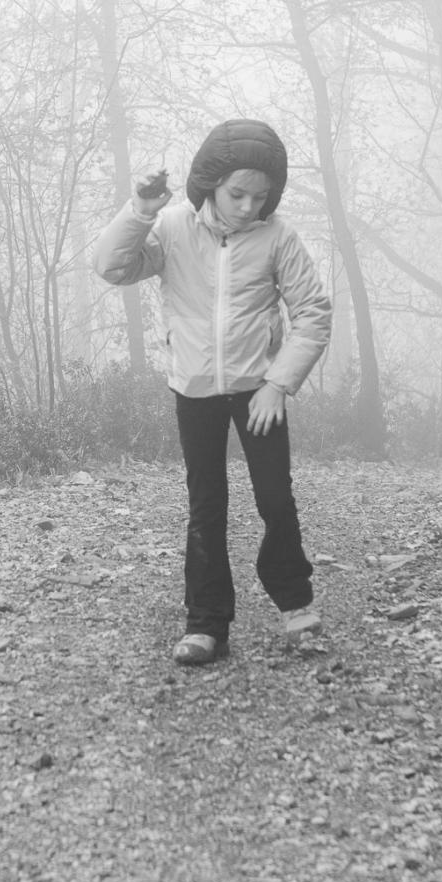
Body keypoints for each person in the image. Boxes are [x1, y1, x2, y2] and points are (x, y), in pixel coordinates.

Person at [91, 119, 332, 665]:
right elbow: (111, 267)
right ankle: (206, 624)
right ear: (211, 184)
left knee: (275, 498)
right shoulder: (173, 228)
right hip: (194, 389)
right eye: (237, 193)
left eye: (260, 197)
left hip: (258, 390)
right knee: (207, 506)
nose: (248, 207)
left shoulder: (277, 236)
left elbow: (313, 313)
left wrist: (279, 384)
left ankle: (295, 604)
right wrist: (140, 210)